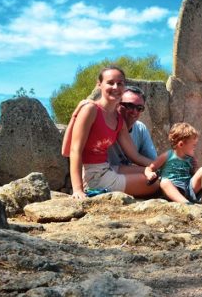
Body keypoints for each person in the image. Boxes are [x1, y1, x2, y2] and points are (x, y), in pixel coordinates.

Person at [67, 66, 158, 199]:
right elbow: (74, 150)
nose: (115, 87)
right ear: (99, 85)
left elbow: (135, 156)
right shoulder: (90, 109)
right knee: (155, 185)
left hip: (108, 168)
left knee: (154, 172)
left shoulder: (118, 119)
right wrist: (77, 190)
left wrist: (162, 165)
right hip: (93, 175)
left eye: (120, 83)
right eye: (110, 83)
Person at [145, 122, 202, 207]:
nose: (195, 148)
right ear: (181, 144)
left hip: (188, 188)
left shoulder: (191, 159)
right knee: (164, 182)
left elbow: (192, 174)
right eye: (193, 145)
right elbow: (149, 168)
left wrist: (197, 170)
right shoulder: (168, 155)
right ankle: (185, 203)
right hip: (173, 189)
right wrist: (149, 174)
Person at [107, 85, 157, 172]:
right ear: (117, 104)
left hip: (126, 175)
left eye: (139, 108)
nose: (134, 111)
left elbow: (147, 159)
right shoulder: (106, 126)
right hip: (105, 175)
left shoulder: (140, 128)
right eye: (129, 106)